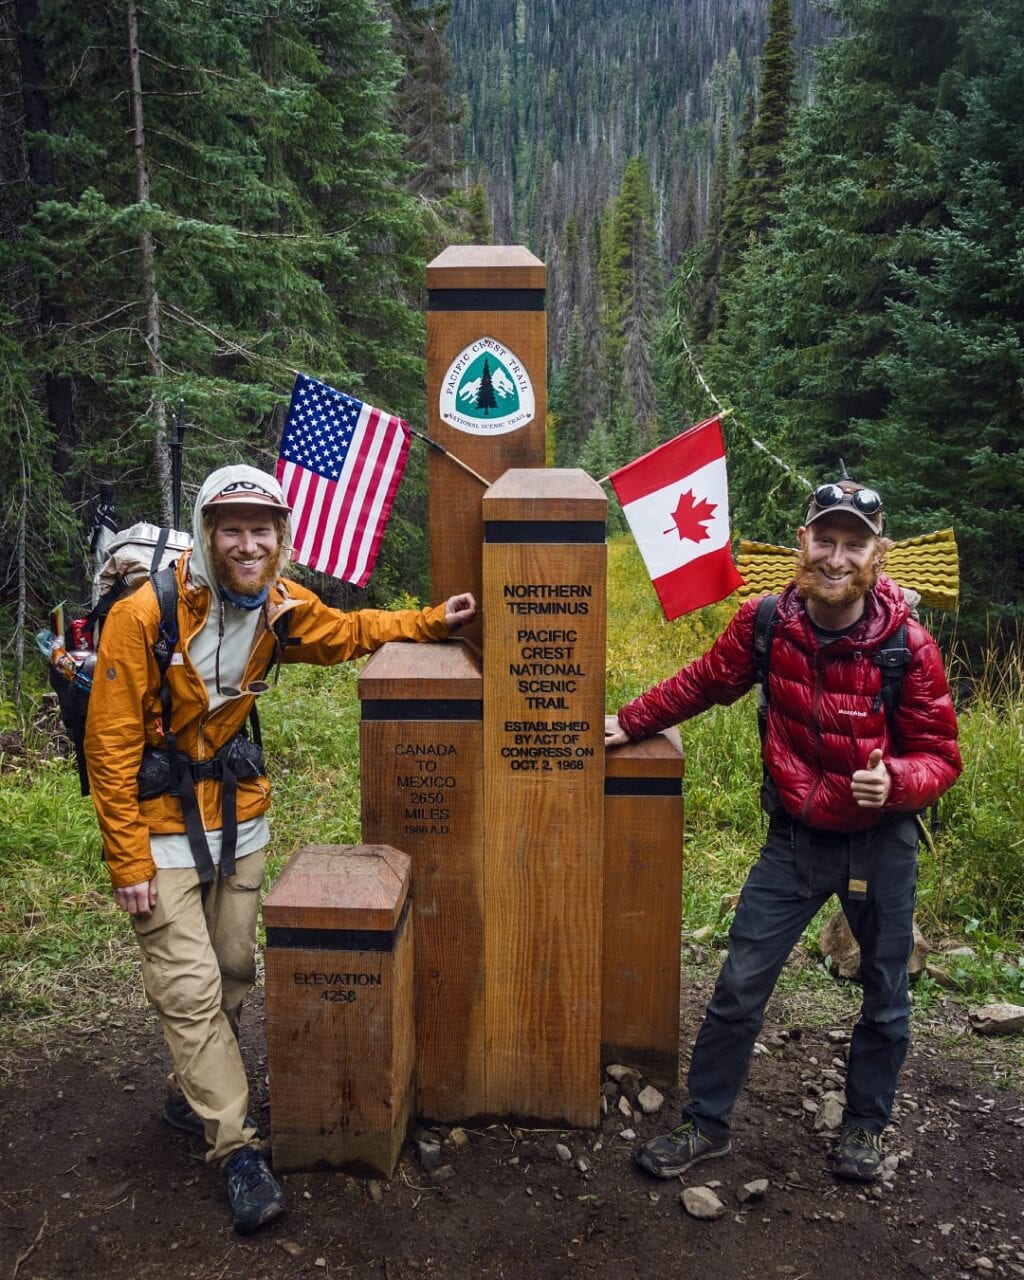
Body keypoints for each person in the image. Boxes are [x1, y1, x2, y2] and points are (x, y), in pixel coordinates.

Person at [84, 464, 476, 1233]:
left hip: (237, 817)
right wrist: (127, 860)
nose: (248, 542)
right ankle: (234, 1148)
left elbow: (350, 631)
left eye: (262, 528)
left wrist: (430, 621)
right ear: (206, 532)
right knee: (192, 992)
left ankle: (189, 1093)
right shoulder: (141, 615)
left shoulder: (280, 608)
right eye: (231, 527)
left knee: (233, 971)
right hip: (157, 825)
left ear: (281, 537)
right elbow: (109, 744)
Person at [605, 473, 961, 1184]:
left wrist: (897, 780)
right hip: (794, 839)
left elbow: (942, 755)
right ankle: (705, 1125)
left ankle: (863, 1129)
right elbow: (707, 680)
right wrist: (631, 721)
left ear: (878, 554)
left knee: (886, 993)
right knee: (740, 983)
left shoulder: (908, 647)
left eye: (853, 545)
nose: (836, 557)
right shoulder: (766, 623)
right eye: (824, 540)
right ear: (803, 543)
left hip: (881, 843)